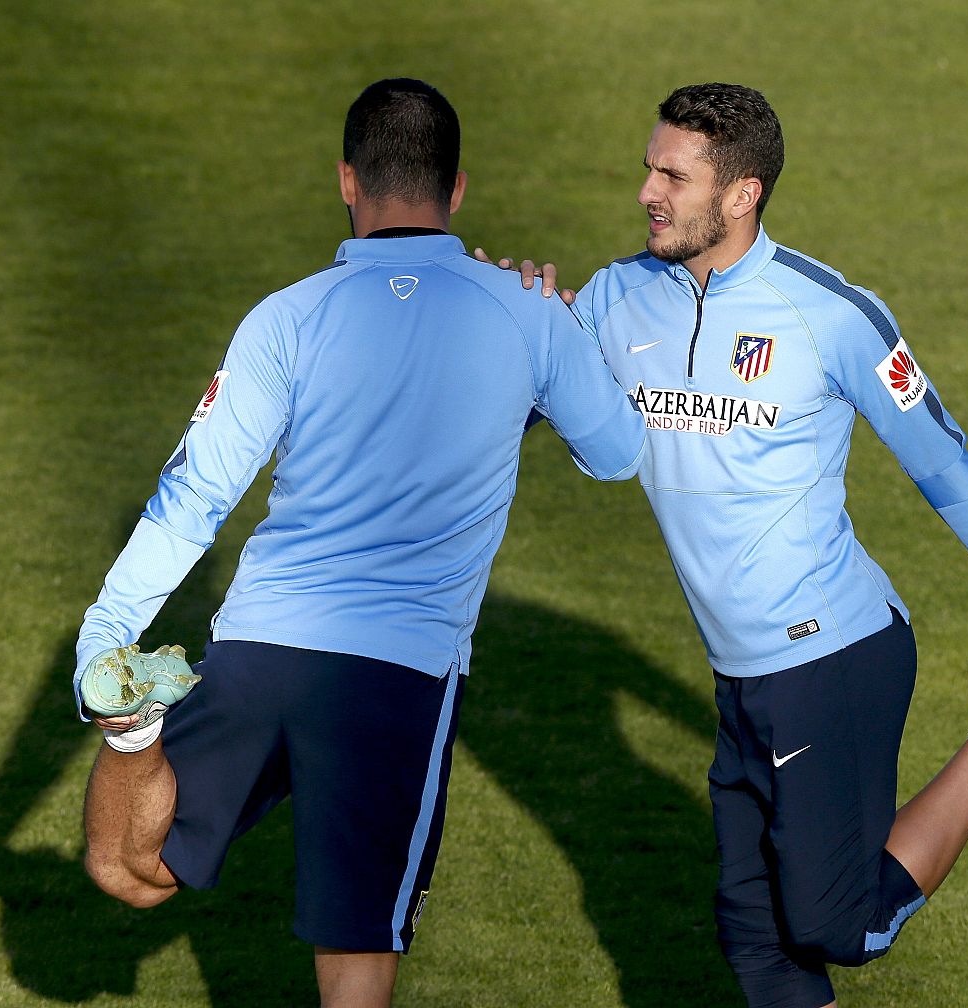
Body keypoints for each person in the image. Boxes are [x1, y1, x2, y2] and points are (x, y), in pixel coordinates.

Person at [497, 82, 968, 1008]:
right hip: (739, 675)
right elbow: (539, 418)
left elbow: (946, 468)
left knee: (834, 925)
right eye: (648, 168)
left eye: (674, 176)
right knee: (761, 950)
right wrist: (516, 334)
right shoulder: (618, 297)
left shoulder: (830, 315)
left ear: (742, 195)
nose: (648, 193)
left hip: (836, 656)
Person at [71, 78, 645, 1008]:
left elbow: (192, 498)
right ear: (456, 189)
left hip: (259, 650)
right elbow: (618, 455)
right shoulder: (528, 314)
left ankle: (133, 730)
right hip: (395, 680)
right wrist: (554, 350)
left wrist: (107, 636)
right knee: (355, 978)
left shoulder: (284, 316)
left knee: (130, 869)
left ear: (347, 180)